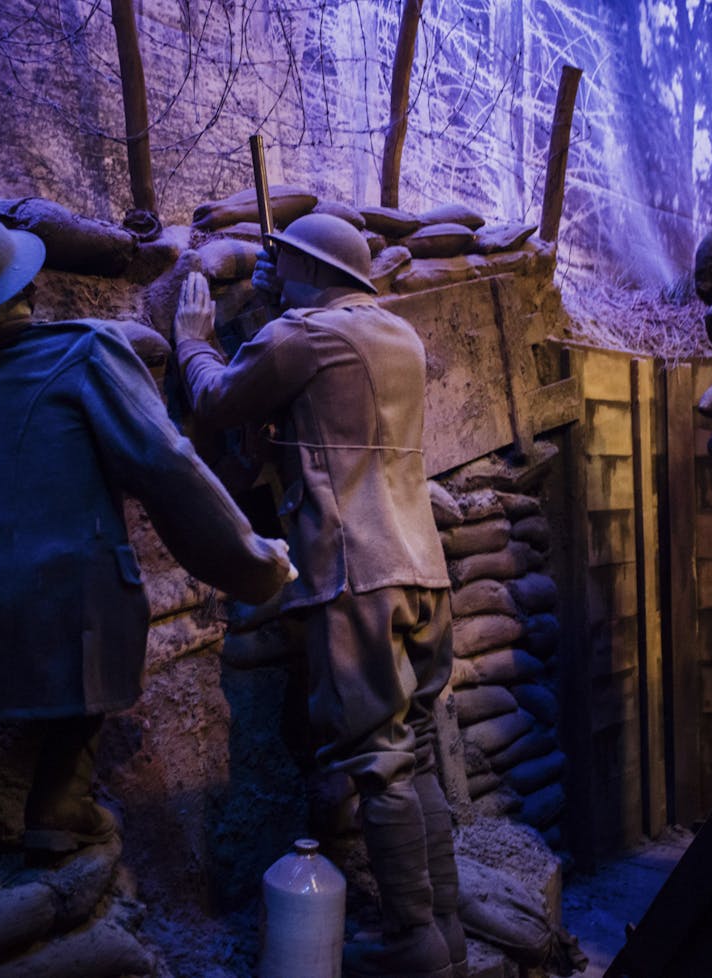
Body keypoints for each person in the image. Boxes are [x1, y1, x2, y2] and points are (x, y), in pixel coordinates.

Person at [0, 207, 292, 864]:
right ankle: (57, 801)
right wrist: (250, 558)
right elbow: (165, 465)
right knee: (103, 588)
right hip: (69, 604)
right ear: (28, 289)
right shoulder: (87, 351)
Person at [174, 212, 465, 978]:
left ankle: (412, 942)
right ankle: (446, 932)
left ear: (300, 269)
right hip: (422, 568)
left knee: (378, 760)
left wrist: (194, 339)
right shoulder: (397, 334)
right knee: (421, 752)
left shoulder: (301, 336)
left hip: (354, 573)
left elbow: (216, 400)